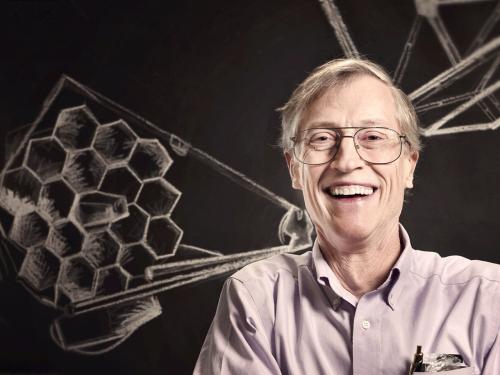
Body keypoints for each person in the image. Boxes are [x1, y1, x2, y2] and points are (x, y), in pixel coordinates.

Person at [194, 58, 500, 374]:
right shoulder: (255, 300)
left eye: (373, 137)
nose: (346, 161)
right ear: (294, 169)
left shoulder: (489, 300)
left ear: (409, 164)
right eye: (322, 138)